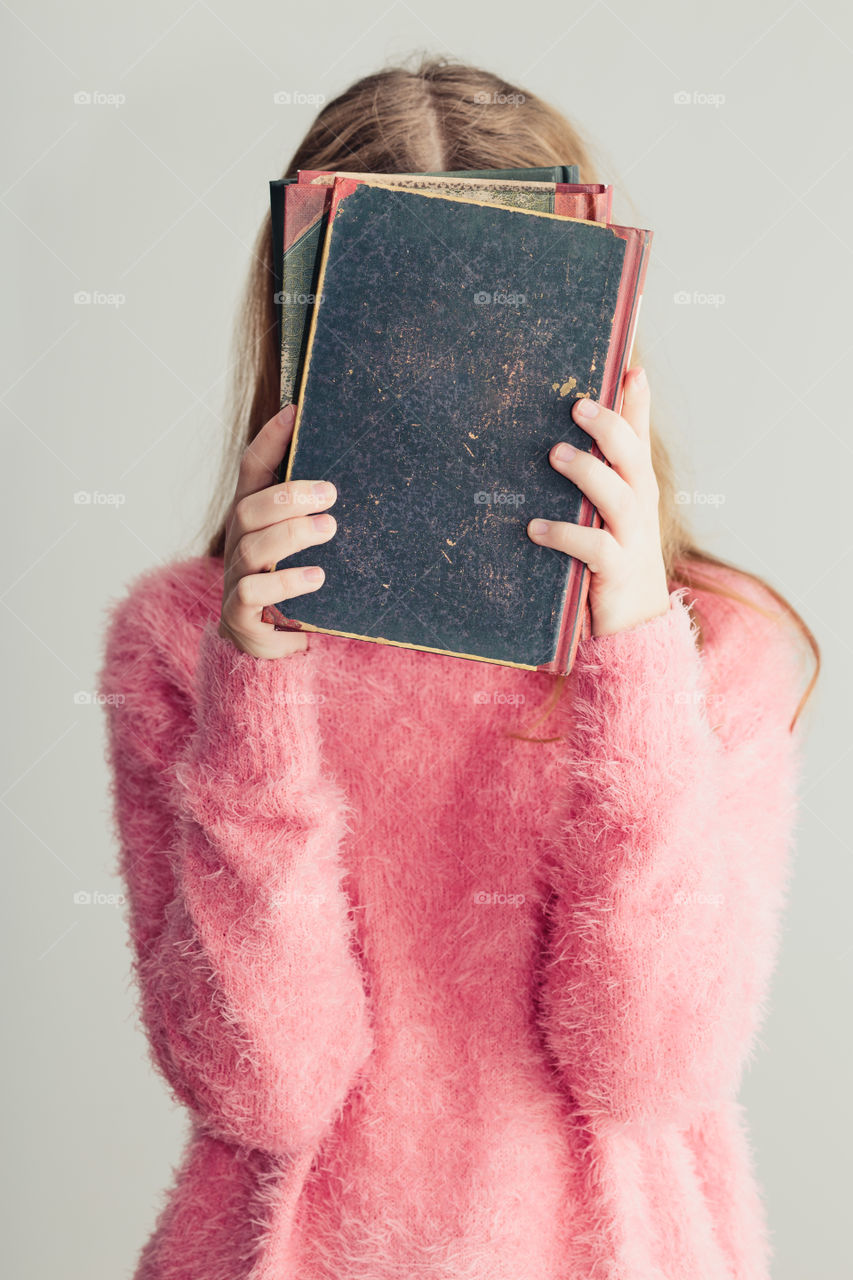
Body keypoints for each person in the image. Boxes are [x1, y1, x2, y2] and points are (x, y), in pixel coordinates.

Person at [97, 55, 818, 1280]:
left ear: (593, 344)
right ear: (307, 343)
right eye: (397, 345)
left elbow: (653, 1067)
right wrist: (259, 691)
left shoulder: (721, 650)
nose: (448, 397)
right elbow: (264, 1087)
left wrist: (635, 651)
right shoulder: (182, 641)